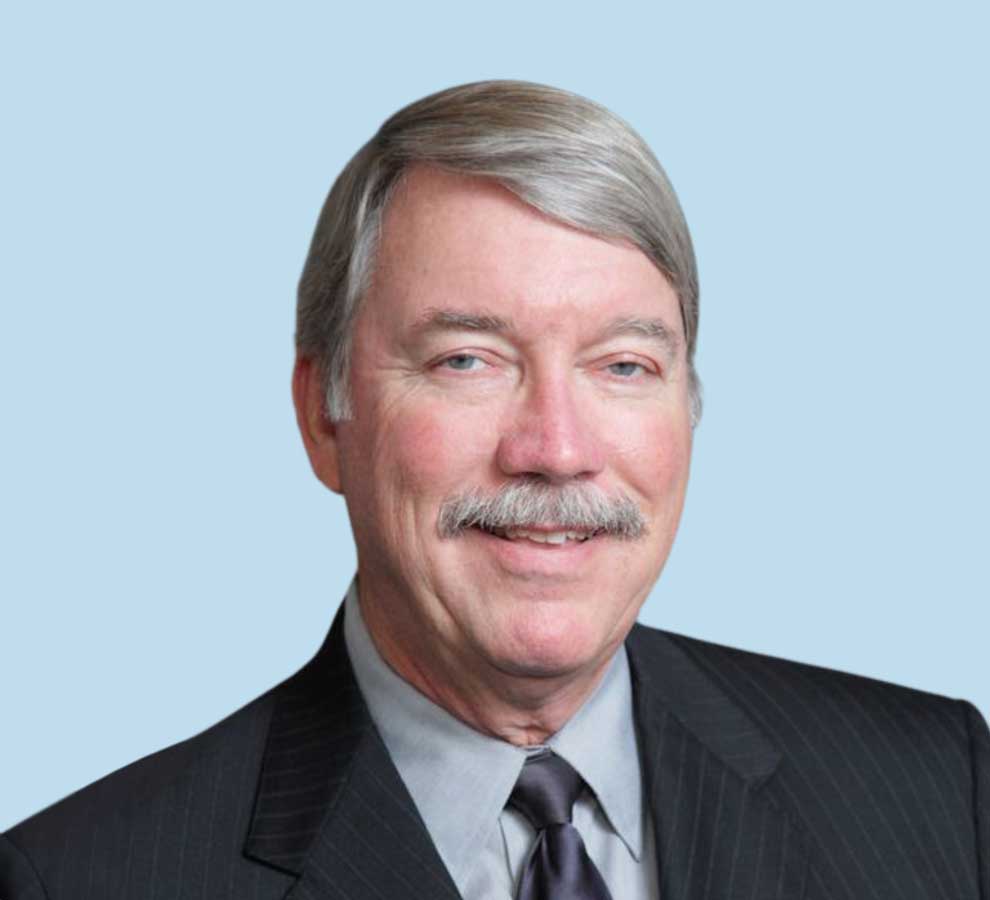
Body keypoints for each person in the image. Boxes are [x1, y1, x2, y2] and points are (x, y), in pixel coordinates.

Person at [1, 80, 986, 900]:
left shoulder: (939, 789)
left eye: (624, 366)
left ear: (690, 404)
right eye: (468, 360)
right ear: (323, 417)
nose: (556, 449)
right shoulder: (84, 877)